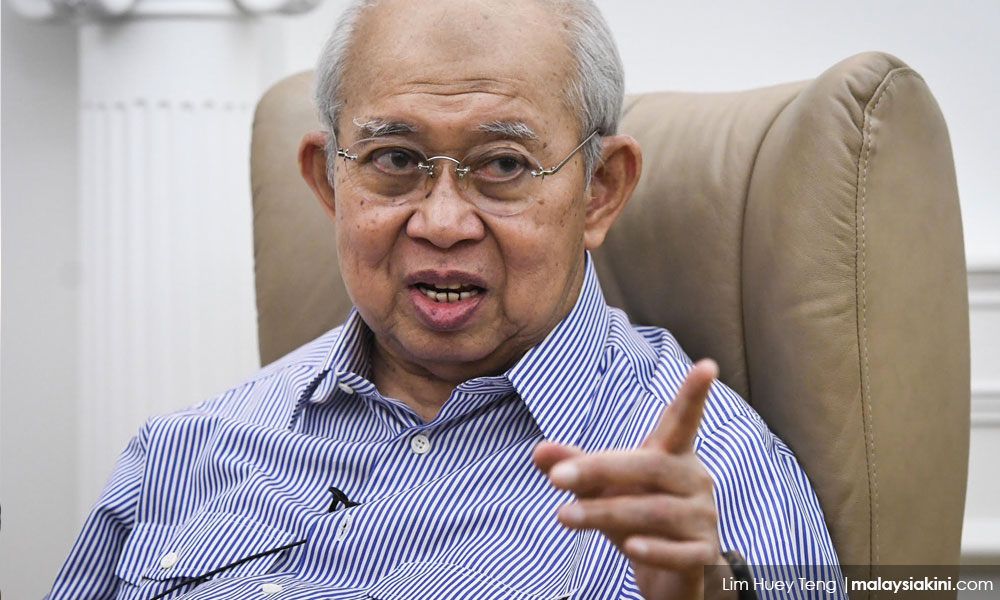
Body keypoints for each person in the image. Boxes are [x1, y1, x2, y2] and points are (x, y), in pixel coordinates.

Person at [48, 0, 841, 598]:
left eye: (503, 166)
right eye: (396, 159)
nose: (442, 222)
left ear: (600, 191)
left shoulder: (710, 485)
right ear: (329, 181)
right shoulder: (182, 454)